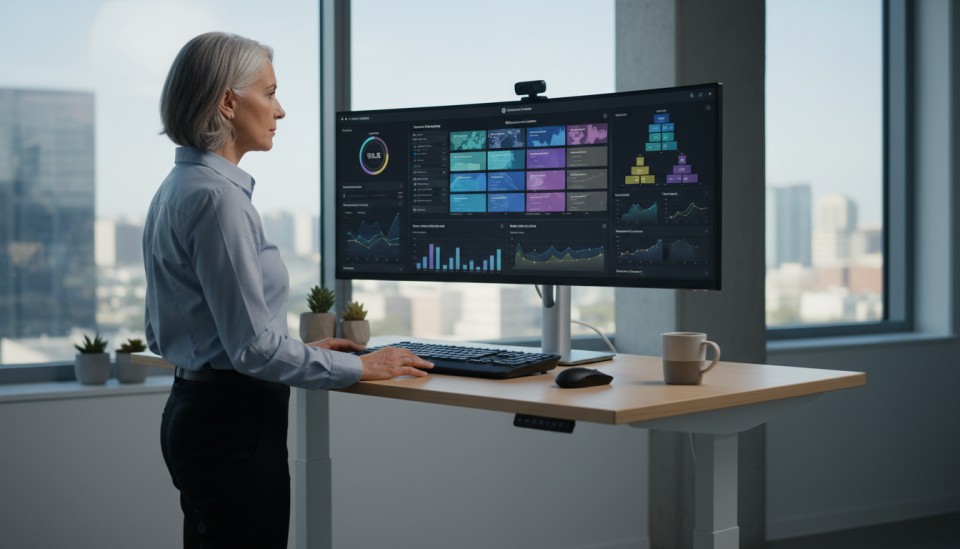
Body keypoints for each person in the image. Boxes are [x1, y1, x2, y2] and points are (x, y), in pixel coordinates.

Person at [145, 32, 433, 549]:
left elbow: (176, 330)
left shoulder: (176, 188)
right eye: (270, 92)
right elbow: (252, 350)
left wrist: (300, 350)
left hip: (196, 413)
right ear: (228, 102)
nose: (280, 110)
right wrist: (363, 366)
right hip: (233, 425)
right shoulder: (219, 200)